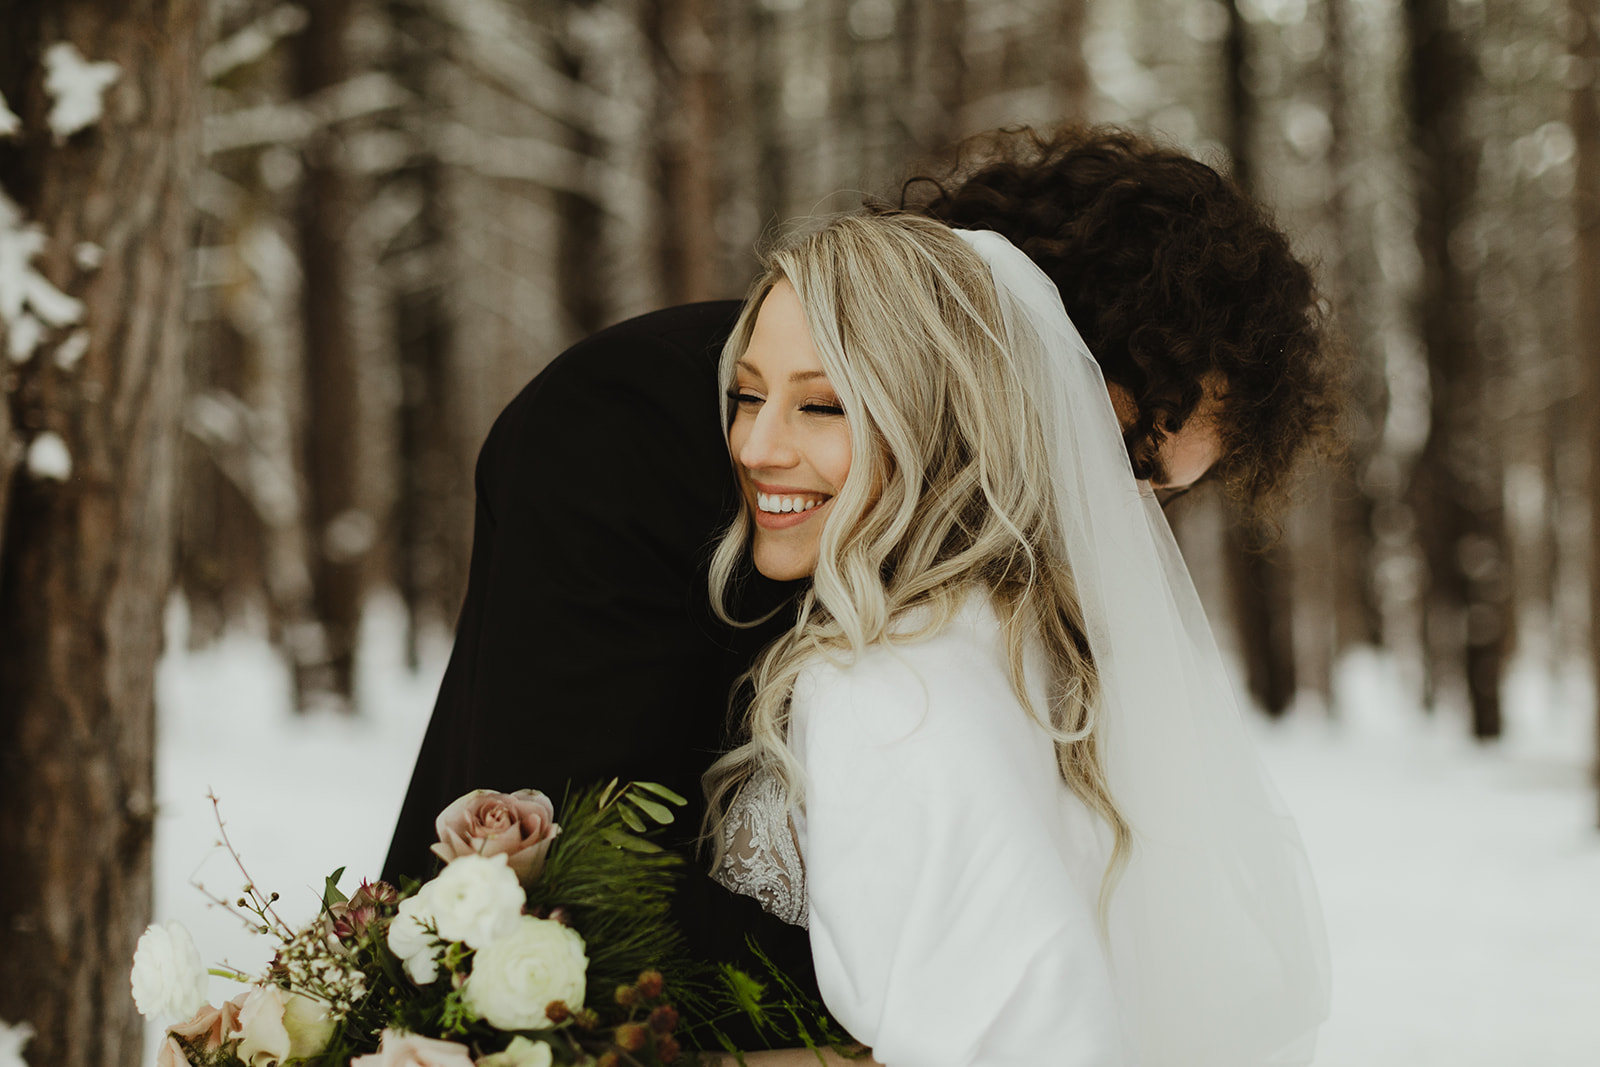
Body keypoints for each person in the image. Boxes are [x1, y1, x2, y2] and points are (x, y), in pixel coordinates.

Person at [381, 126, 1339, 1049]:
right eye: (1118, 451)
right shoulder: (629, 421)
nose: (1112, 515)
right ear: (1012, 354)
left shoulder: (978, 629)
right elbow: (559, 847)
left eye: (1151, 493)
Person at [701, 213, 1329, 1066]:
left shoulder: (889, 687)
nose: (756, 443)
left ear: (930, 419)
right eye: (747, 394)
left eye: (821, 404)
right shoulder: (1019, 633)